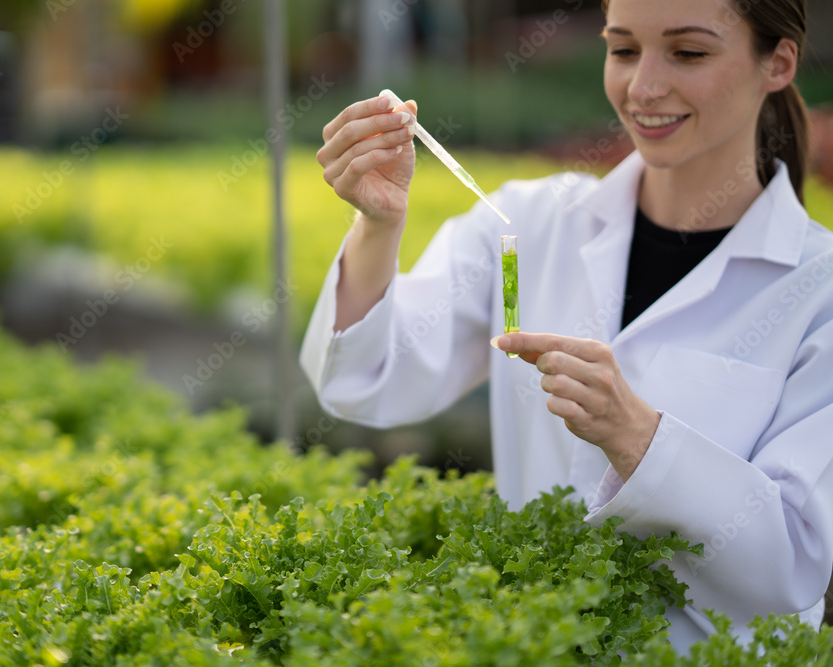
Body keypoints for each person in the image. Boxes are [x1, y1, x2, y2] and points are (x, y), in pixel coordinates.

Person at [300, 0, 833, 652]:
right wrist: (377, 225)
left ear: (777, 63)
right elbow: (361, 380)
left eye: (688, 53)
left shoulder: (818, 289)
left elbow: (797, 563)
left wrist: (638, 436)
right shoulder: (529, 222)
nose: (643, 88)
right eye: (624, 49)